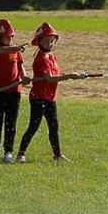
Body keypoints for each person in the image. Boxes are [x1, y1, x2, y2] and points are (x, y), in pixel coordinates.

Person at [18, 22, 85, 162]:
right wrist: (69, 76)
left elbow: (55, 75)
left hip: (50, 97)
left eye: (52, 41)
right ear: (39, 42)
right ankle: (20, 154)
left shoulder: (52, 56)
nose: (50, 44)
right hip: (38, 97)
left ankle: (57, 155)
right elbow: (49, 79)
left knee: (54, 126)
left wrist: (71, 75)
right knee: (33, 126)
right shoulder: (41, 58)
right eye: (46, 41)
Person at [0, 18, 26, 163]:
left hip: (14, 92)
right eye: (8, 36)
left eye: (11, 36)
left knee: (11, 123)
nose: (11, 39)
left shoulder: (16, 52)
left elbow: (20, 66)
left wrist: (24, 77)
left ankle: (8, 151)